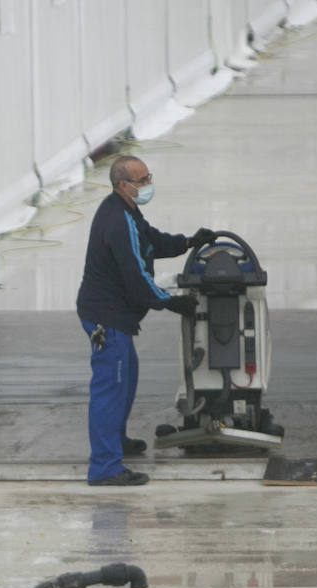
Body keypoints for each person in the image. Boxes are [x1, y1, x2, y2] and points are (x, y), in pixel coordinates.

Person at [76, 154, 214, 486]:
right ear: (122, 185)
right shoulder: (118, 222)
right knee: (110, 388)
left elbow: (151, 241)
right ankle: (105, 467)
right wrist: (168, 301)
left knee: (126, 379)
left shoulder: (128, 212)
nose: (148, 185)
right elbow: (136, 276)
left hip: (116, 316)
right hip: (106, 317)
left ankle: (116, 442)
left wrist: (188, 242)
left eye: (149, 177)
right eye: (141, 181)